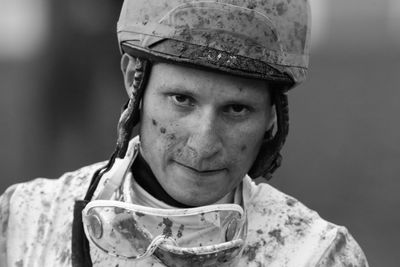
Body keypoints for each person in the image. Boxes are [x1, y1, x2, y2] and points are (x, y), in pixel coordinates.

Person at [0, 0, 369, 266]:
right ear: (133, 81)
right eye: (182, 99)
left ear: (272, 116)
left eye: (236, 110)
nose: (204, 144)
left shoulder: (316, 254)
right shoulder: (25, 224)